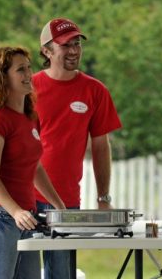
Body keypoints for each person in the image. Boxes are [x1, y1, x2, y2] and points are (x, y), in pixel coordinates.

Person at [33, 17, 122, 278]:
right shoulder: (29, 89)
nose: (73, 50)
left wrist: (103, 197)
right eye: (65, 45)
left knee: (61, 275)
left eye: (77, 44)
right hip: (25, 200)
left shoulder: (95, 91)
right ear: (46, 51)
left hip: (65, 203)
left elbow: (101, 148)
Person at [0, 46, 65, 279]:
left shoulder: (29, 118)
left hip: (26, 219)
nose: (28, 75)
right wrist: (15, 211)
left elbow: (35, 167)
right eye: (20, 70)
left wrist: (59, 206)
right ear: (2, 77)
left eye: (29, 68)